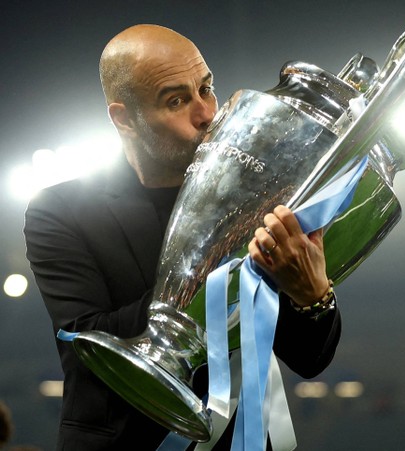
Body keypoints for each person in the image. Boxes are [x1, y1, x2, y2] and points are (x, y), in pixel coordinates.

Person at [24, 24, 341, 450]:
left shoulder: (258, 198)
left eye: (206, 88)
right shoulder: (61, 210)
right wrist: (217, 257)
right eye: (176, 100)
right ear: (124, 118)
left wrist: (313, 295)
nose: (206, 113)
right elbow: (90, 342)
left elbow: (310, 359)